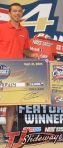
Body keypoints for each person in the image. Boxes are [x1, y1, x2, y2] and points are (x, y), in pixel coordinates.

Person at [0, 3, 39, 138]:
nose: (17, 13)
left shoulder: (24, 31)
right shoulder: (1, 28)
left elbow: (25, 50)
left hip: (17, 73)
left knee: (12, 104)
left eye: (19, 11)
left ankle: (8, 134)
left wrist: (34, 55)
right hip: (2, 71)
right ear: (9, 13)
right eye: (14, 11)